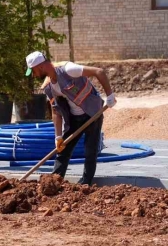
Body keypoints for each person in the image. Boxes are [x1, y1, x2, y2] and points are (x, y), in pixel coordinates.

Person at [25, 52, 117, 185]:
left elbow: (99, 71)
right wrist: (58, 137)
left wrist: (110, 96)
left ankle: (86, 184)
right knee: (63, 150)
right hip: (74, 119)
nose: (33, 75)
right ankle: (54, 182)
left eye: (33, 71)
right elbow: (56, 110)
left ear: (39, 67)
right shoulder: (48, 86)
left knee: (90, 151)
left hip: (93, 113)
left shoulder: (68, 69)